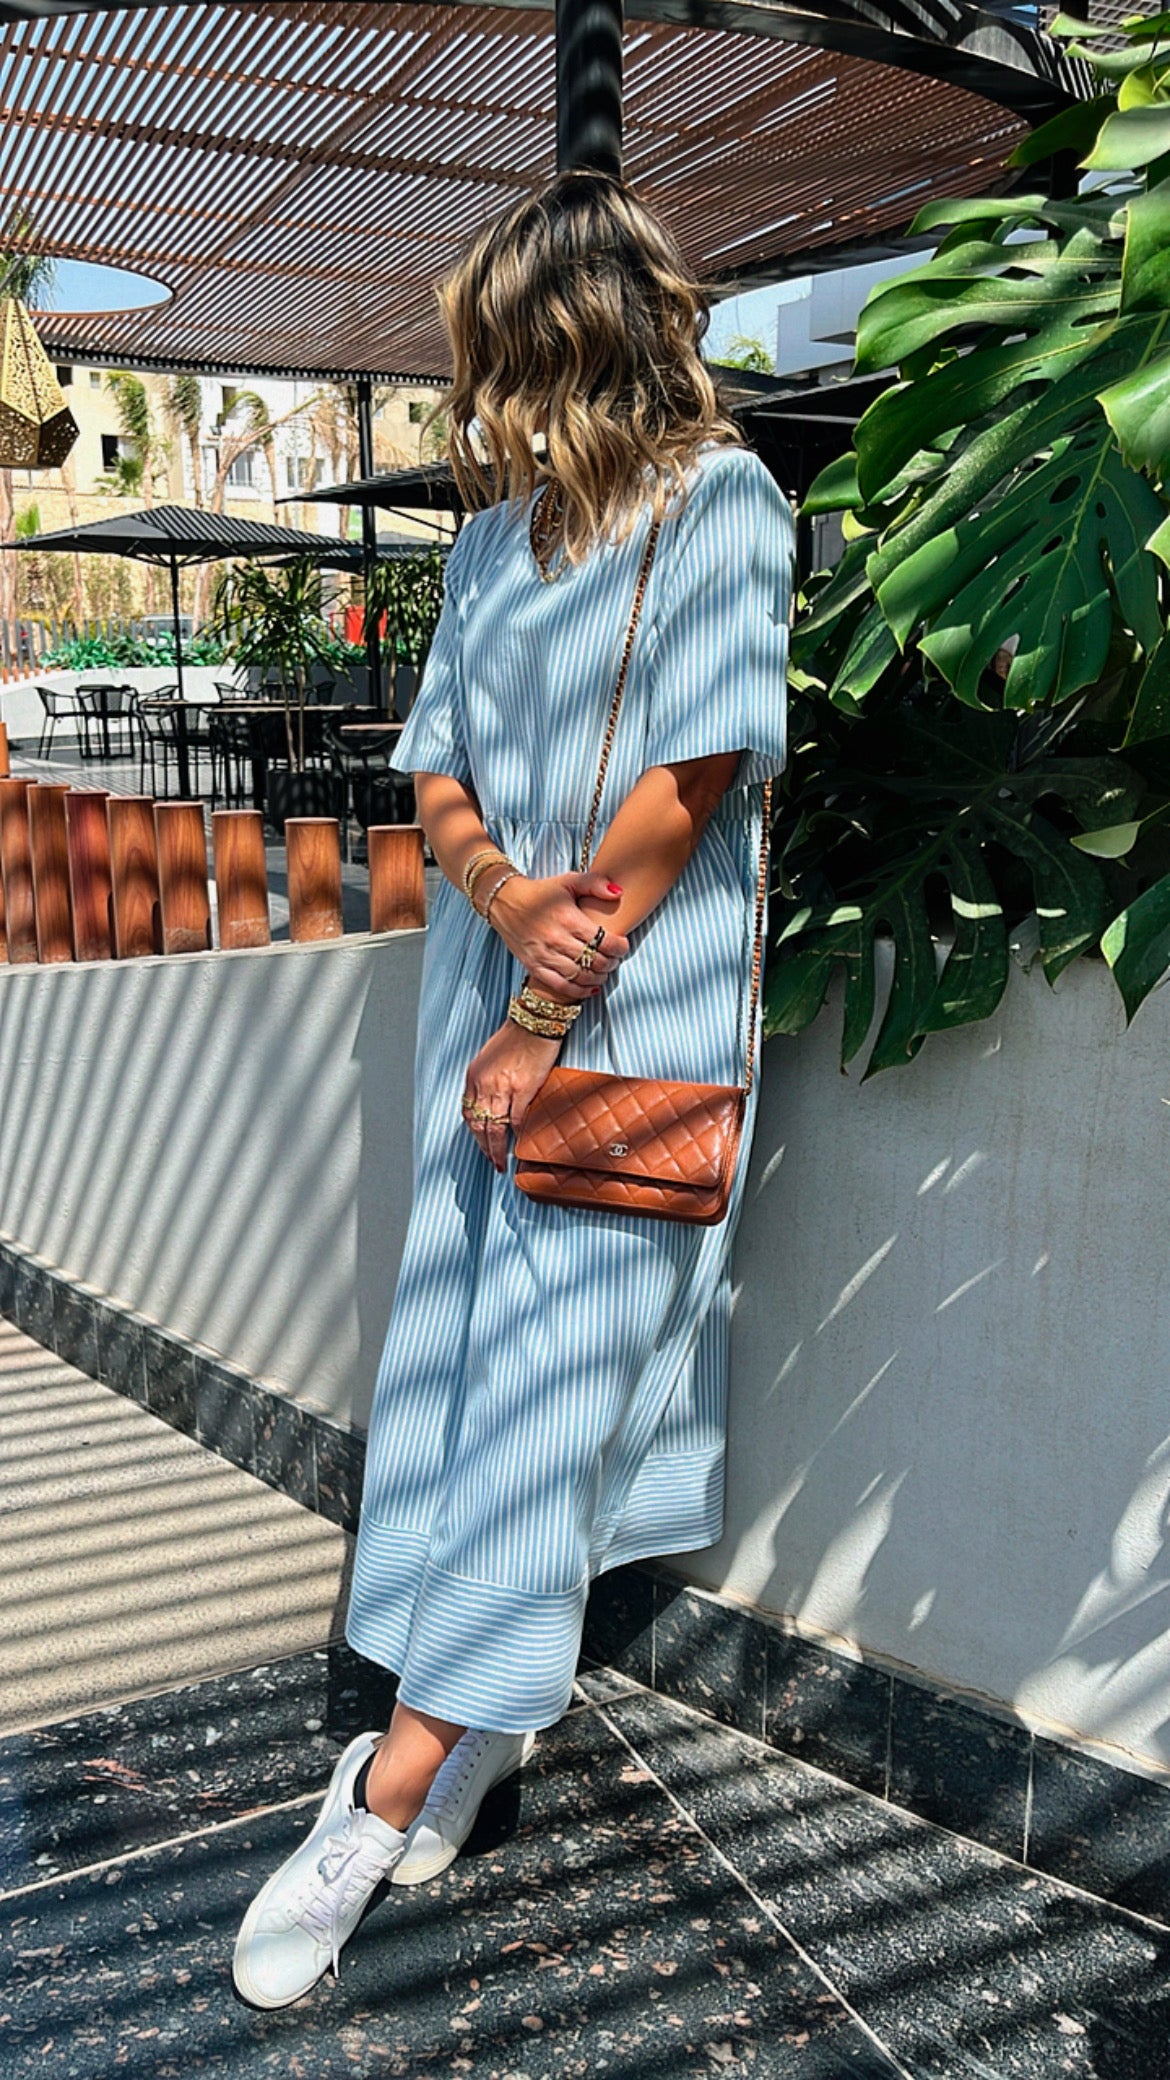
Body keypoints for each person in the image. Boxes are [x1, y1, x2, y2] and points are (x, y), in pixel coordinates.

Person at [233, 168, 793, 2010]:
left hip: (622, 1024)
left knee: (548, 1409)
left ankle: (372, 1805)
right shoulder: (487, 547)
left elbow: (684, 786)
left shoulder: (723, 509)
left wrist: (545, 999)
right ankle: (462, 1730)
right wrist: (494, 904)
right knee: (464, 1369)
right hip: (494, 997)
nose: (474, 404)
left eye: (491, 364)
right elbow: (444, 773)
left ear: (560, 350)